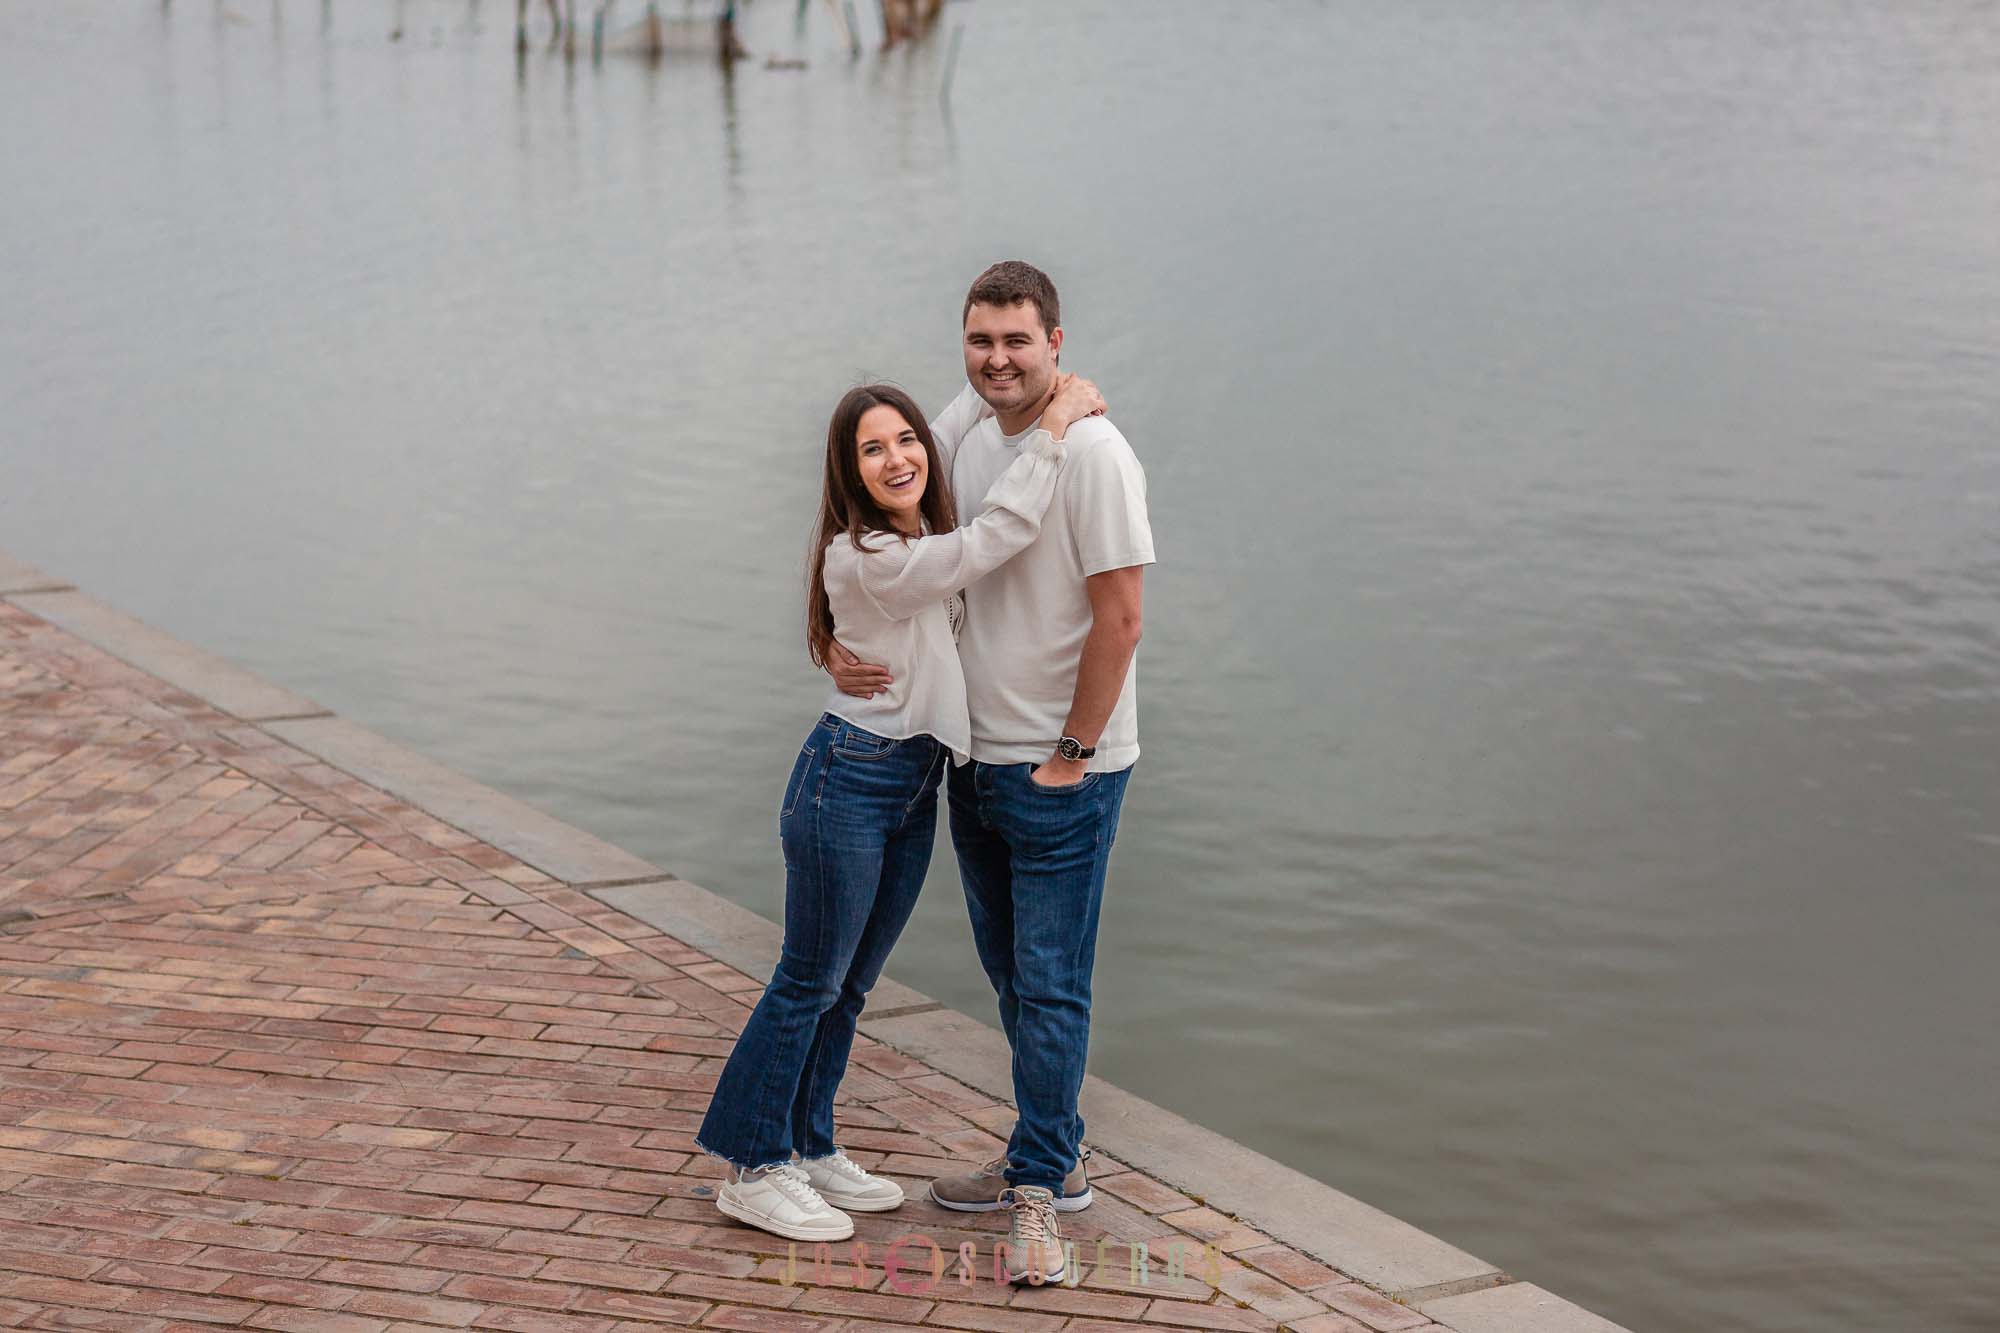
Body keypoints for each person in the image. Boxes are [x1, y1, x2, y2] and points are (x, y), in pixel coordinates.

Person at [695, 375, 1105, 1244]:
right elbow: (998, 535)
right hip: (848, 776)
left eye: (906, 441)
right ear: (847, 471)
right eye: (871, 448)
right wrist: (1055, 428)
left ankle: (807, 1143)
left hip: (914, 778)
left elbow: (963, 403)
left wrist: (1017, 369)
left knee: (850, 982)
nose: (899, 457)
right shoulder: (870, 555)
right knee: (808, 978)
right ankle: (753, 1163)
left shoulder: (911, 523)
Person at [829, 261, 1154, 1283]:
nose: (998, 358)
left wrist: (1072, 751)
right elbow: (872, 507)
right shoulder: (961, 429)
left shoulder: (1094, 454)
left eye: (1019, 340)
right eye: (981, 341)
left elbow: (1122, 617)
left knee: (1050, 983)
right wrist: (832, 639)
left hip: (1063, 770)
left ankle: (1041, 1195)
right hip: (972, 761)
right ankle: (1046, 1149)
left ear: (1056, 341)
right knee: (1015, 977)